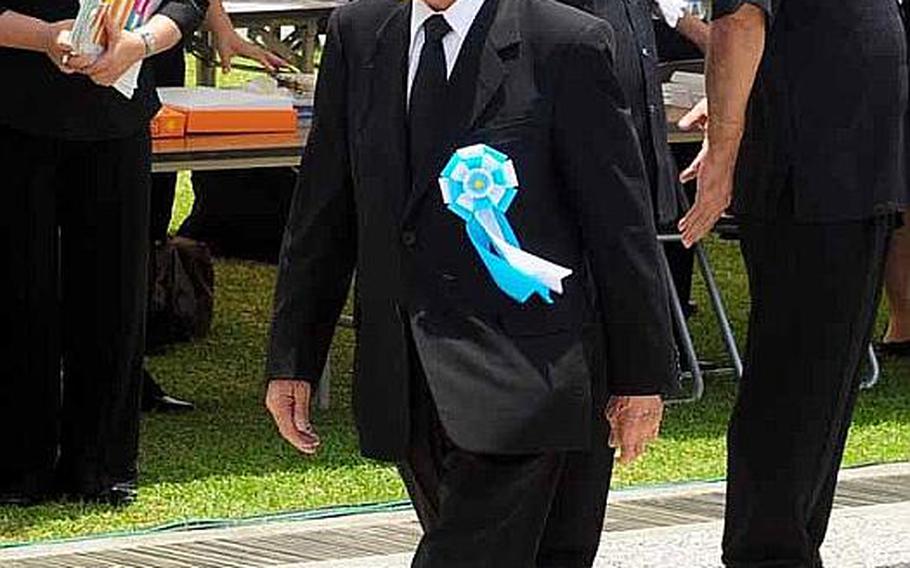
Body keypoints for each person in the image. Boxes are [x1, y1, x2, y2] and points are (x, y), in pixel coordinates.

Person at [263, 0, 677, 563]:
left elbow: (619, 224)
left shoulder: (566, 41)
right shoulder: (359, 32)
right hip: (407, 375)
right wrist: (294, 358)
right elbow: (323, 209)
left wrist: (641, 375)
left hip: (531, 374)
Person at [677, 0, 907, 565]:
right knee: (796, 386)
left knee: (821, 390)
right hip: (815, 174)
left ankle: (787, 545)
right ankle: (769, 551)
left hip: (851, 165)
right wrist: (725, 148)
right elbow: (739, 21)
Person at [0, 0, 209, 505]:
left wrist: (140, 43)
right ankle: (16, 464)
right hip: (10, 112)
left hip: (117, 114)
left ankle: (102, 463)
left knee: (114, 295)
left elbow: (186, 4)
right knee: (18, 290)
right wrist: (45, 36)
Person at [143, 0, 285, 413]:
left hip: (157, 58)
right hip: (74, 62)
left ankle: (129, 367)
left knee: (150, 218)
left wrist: (222, 29)